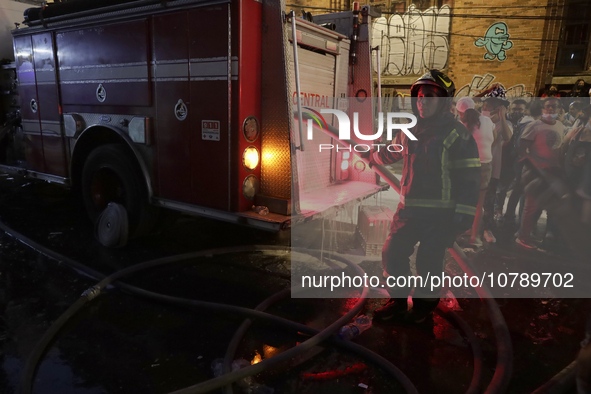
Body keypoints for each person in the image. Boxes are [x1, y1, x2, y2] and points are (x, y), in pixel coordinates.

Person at [366, 70, 481, 324]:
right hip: (408, 213)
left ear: (444, 102)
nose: (422, 101)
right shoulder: (409, 131)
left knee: (429, 263)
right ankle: (397, 301)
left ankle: (422, 311)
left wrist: (462, 218)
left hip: (440, 218)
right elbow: (390, 153)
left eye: (429, 96)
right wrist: (371, 156)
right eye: (418, 96)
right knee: (392, 253)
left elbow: (471, 180)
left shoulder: (457, 134)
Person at [516, 97, 565, 249]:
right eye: (548, 106)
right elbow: (522, 150)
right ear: (542, 109)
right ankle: (523, 237)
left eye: (554, 107)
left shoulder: (560, 126)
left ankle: (527, 234)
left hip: (553, 171)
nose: (551, 110)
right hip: (537, 171)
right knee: (531, 206)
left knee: (542, 205)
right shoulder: (534, 126)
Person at [456, 97, 496, 245]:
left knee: (462, 201)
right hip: (485, 165)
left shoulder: (460, 125)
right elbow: (495, 139)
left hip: (467, 166)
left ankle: (457, 233)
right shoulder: (487, 121)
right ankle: (475, 237)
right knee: (479, 204)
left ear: (460, 113)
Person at [478, 87, 513, 243]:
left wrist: (502, 117)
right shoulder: (477, 120)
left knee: (488, 202)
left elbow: (507, 137)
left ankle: (486, 228)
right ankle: (470, 228)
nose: (487, 108)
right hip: (473, 167)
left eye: (492, 105)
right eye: (486, 104)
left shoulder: (504, 124)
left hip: (492, 169)